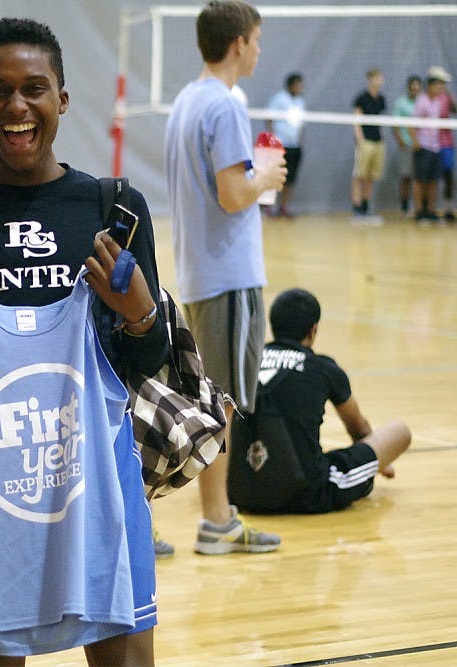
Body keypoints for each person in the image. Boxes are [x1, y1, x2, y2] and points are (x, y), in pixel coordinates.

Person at [0, 17, 166, 665]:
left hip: (99, 480)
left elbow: (144, 362)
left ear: (62, 99)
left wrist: (139, 313)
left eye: (34, 89)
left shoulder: (112, 207)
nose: (17, 106)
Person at [163, 0, 285, 556]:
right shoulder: (225, 106)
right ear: (238, 43)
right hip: (228, 277)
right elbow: (234, 193)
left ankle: (219, 514)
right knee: (224, 401)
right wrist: (266, 176)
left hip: (198, 270)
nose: (259, 50)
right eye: (257, 40)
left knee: (212, 395)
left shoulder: (187, 101)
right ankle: (216, 520)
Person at [244, 288, 411, 513]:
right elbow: (358, 428)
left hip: (239, 489)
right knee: (400, 432)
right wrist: (376, 461)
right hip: (305, 492)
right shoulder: (323, 367)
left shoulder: (246, 363)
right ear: (313, 330)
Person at [412, 66, 453, 224]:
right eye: (439, 84)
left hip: (436, 146)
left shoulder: (438, 101)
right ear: (430, 84)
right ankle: (419, 212)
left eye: (443, 85)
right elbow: (411, 123)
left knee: (433, 180)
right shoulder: (422, 100)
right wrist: (415, 141)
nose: (442, 87)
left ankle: (430, 211)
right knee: (420, 180)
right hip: (423, 146)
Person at [265, 72, 305, 218]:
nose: (300, 88)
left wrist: (300, 141)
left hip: (294, 146)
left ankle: (283, 207)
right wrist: (272, 140)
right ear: (291, 85)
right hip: (280, 145)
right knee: (274, 176)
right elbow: (269, 117)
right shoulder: (279, 99)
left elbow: (301, 124)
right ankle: (268, 207)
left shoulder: (300, 102)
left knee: (290, 178)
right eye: (298, 85)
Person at [350, 68, 387, 223]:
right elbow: (356, 120)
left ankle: (366, 206)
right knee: (359, 175)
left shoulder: (381, 99)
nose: (380, 81)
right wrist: (361, 141)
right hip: (365, 142)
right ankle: (356, 206)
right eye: (378, 78)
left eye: (381, 78)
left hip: (378, 141)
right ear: (370, 79)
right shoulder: (361, 98)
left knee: (371, 175)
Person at [392, 75, 423, 215]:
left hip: (422, 146)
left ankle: (421, 208)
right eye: (413, 88)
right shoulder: (401, 103)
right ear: (409, 88)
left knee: (421, 178)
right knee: (406, 177)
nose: (415, 90)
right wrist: (401, 142)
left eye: (418, 88)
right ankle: (404, 207)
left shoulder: (423, 102)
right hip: (407, 145)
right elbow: (395, 125)